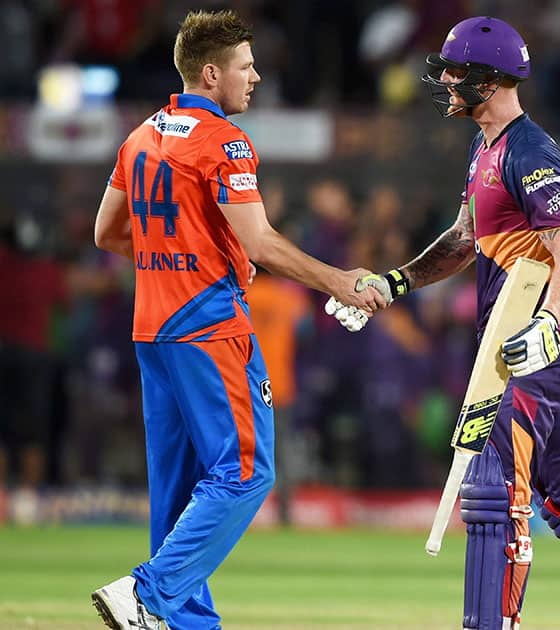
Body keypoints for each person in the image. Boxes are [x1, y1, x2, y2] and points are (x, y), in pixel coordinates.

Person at [338, 16, 560, 630]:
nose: (444, 79)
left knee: (496, 499)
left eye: (457, 72)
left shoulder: (531, 152)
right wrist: (397, 282)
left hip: (528, 355)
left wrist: (543, 324)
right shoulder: (485, 147)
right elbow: (465, 238)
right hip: (543, 352)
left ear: (491, 80)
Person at [91, 10, 383, 630]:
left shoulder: (139, 136)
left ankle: (185, 621)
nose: (255, 78)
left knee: (179, 486)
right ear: (210, 72)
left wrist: (174, 263)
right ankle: (149, 593)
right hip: (209, 326)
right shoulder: (224, 142)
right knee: (248, 471)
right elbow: (261, 244)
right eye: (246, 68)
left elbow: (106, 232)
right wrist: (343, 281)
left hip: (153, 329)